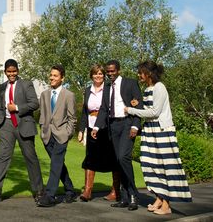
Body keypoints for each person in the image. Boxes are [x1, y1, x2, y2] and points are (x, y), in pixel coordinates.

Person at [124, 61, 192, 215]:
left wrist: (131, 110)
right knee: (150, 164)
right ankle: (159, 198)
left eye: (141, 72)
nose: (139, 75)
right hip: (150, 131)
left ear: (148, 73)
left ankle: (166, 206)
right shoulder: (149, 88)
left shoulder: (160, 87)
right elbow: (149, 109)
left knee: (164, 167)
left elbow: (155, 112)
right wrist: (139, 104)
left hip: (161, 131)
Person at [0, 59, 44, 203]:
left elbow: (34, 103)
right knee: (2, 157)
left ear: (18, 71)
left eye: (14, 71)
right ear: (5, 72)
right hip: (6, 126)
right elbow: (0, 106)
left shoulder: (26, 84)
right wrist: (0, 120)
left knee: (30, 157)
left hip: (24, 124)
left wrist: (17, 107)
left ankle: (39, 191)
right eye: (9, 72)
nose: (12, 74)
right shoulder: (2, 87)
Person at [91, 60, 143, 211]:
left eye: (112, 71)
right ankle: (124, 197)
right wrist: (96, 127)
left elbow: (138, 105)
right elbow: (103, 109)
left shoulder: (130, 83)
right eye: (108, 72)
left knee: (123, 157)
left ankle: (133, 194)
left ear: (118, 70)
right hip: (113, 126)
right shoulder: (107, 87)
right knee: (118, 162)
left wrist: (135, 125)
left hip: (127, 124)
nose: (110, 74)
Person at [78, 64, 121, 202]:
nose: (98, 76)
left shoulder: (109, 88)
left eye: (101, 74)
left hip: (107, 127)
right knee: (90, 158)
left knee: (113, 158)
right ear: (91, 75)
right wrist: (81, 129)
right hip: (91, 127)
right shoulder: (87, 90)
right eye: (95, 73)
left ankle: (115, 191)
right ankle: (87, 190)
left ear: (104, 76)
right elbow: (84, 112)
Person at [36, 64, 77, 207]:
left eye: (55, 75)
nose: (51, 77)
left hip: (61, 135)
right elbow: (42, 115)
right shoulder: (44, 94)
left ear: (62, 78)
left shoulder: (69, 95)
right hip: (47, 135)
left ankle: (49, 195)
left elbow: (72, 118)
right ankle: (70, 190)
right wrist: (42, 130)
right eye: (51, 75)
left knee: (55, 163)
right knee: (58, 164)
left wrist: (67, 134)